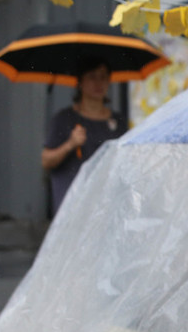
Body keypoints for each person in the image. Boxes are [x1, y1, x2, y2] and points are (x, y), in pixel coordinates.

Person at [41, 56, 129, 216]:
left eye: (103, 77)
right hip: (73, 207)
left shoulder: (119, 121)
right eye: (92, 77)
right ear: (80, 82)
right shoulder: (64, 119)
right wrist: (70, 144)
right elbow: (46, 161)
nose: (98, 83)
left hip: (107, 206)